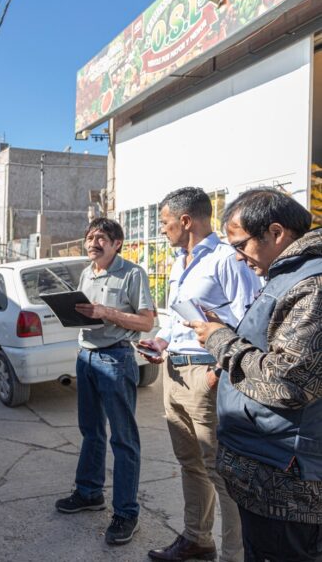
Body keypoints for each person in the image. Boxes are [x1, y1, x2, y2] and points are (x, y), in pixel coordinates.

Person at [188, 188, 322, 561]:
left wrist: (221, 342)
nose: (237, 256)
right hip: (267, 469)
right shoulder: (290, 275)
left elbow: (288, 382)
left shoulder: (313, 285)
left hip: (285, 482)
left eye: (241, 243)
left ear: (276, 233)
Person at [140, 188, 259, 562]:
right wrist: (160, 341)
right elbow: (180, 317)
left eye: (164, 222)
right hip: (174, 372)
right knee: (190, 463)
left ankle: (234, 555)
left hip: (207, 375)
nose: (162, 230)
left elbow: (250, 322)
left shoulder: (227, 259)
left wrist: (219, 373)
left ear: (185, 221)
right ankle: (197, 540)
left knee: (220, 471)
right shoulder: (179, 261)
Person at [55, 217, 156, 546]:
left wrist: (106, 313)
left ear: (117, 244)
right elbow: (89, 313)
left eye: (101, 238)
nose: (93, 242)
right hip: (85, 357)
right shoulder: (87, 272)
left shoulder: (132, 273)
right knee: (91, 432)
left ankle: (126, 512)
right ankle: (88, 493)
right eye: (89, 237)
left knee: (123, 440)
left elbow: (145, 322)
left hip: (116, 359)